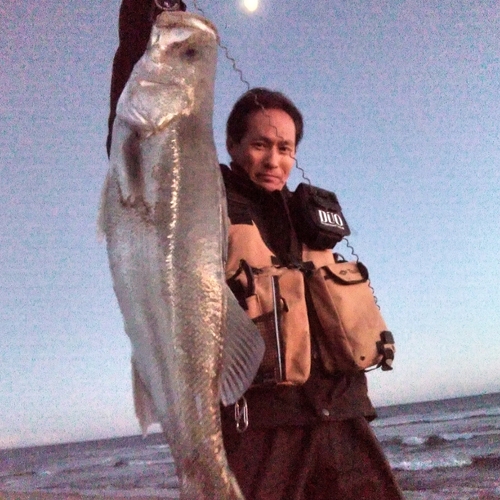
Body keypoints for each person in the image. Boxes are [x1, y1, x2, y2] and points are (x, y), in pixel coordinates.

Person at [107, 3, 404, 499]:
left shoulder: (311, 214)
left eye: (286, 148)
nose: (275, 159)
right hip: (259, 428)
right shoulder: (204, 192)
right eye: (261, 144)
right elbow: (144, 133)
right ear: (230, 143)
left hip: (344, 420)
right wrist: (152, 13)